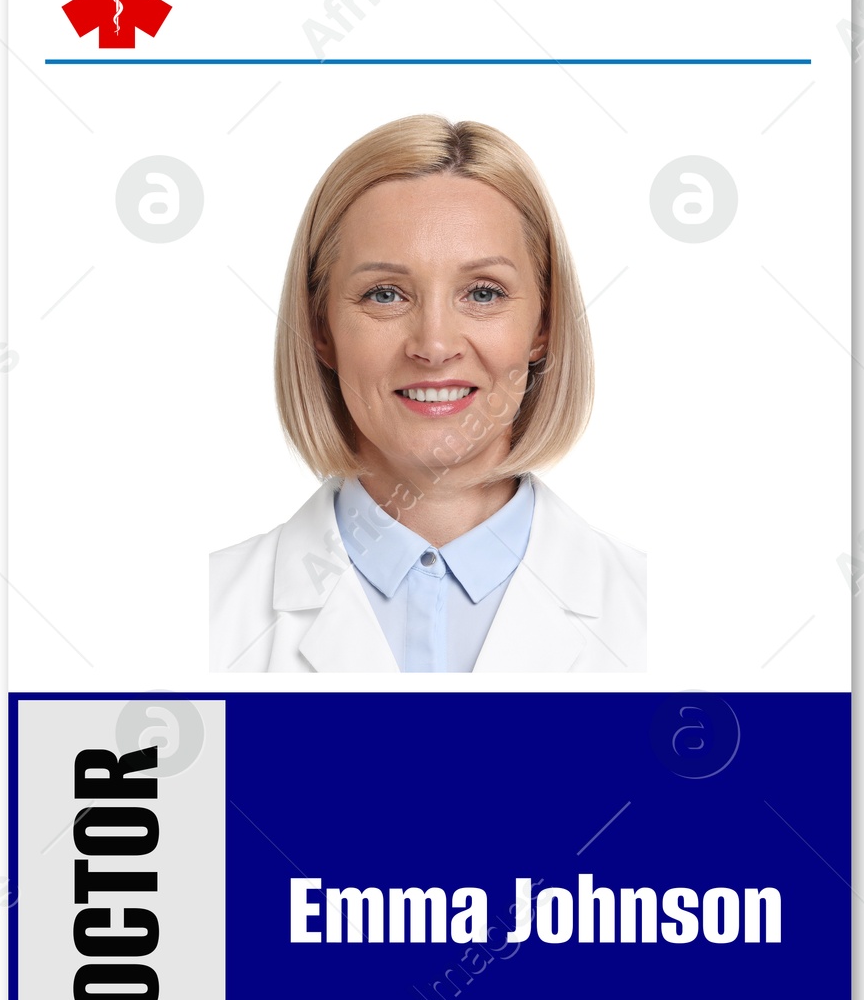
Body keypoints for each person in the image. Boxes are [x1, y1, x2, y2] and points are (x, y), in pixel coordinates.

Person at [210, 114, 646, 673]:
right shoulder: (200, 620)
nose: (434, 345)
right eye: (385, 294)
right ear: (321, 330)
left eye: (483, 293)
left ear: (544, 325)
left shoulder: (660, 621)